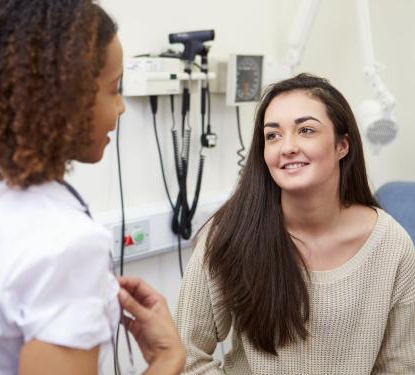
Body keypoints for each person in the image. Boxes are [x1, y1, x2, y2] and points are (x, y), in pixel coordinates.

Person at [0, 0, 184, 374]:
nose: (121, 107)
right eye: (113, 88)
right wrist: (167, 359)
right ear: (65, 98)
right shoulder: (65, 246)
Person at [175, 73, 415, 374]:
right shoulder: (230, 233)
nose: (287, 146)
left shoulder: (391, 244)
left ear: (342, 145)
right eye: (272, 135)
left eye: (306, 130)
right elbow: (185, 356)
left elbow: (400, 367)